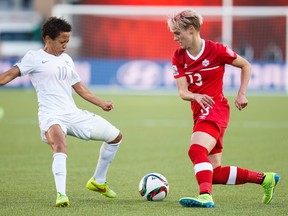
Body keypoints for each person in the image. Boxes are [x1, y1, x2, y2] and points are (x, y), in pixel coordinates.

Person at [0, 17, 122, 207]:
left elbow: (80, 88)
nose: (65, 46)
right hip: (51, 115)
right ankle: (61, 195)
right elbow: (8, 75)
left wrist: (101, 103)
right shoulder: (34, 57)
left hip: (73, 114)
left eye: (67, 42)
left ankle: (98, 180)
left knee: (115, 137)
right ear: (48, 39)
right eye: (62, 42)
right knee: (60, 146)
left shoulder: (67, 59)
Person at [167, 10, 279, 208]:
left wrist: (242, 93)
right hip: (199, 113)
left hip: (216, 108)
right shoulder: (178, 57)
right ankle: (265, 179)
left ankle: (205, 196)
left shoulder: (216, 50)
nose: (175, 38)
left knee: (195, 150)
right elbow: (183, 92)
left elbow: (246, 65)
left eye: (178, 33)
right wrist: (195, 96)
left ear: (191, 29)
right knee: (215, 172)